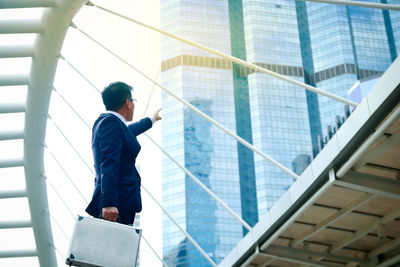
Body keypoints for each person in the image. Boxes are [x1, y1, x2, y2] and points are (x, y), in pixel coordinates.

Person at [85, 81, 161, 225]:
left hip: (119, 202)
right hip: (116, 205)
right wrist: (108, 203)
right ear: (128, 103)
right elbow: (108, 162)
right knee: (114, 246)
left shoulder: (109, 123)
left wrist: (152, 119)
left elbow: (129, 131)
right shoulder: (111, 124)